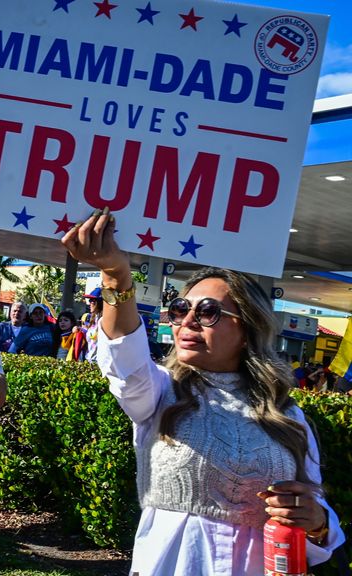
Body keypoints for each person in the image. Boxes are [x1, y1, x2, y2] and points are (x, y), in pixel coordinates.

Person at [62, 209, 345, 575]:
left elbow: (315, 527)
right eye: (181, 309)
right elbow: (122, 353)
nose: (188, 321)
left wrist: (318, 522)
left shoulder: (286, 415)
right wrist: (116, 273)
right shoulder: (160, 392)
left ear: (246, 330)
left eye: (208, 312)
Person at [82, 288, 103, 362]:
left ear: (100, 303)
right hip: (89, 360)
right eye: (89, 300)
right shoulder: (93, 318)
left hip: (99, 363)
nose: (89, 303)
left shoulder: (104, 321)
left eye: (92, 301)